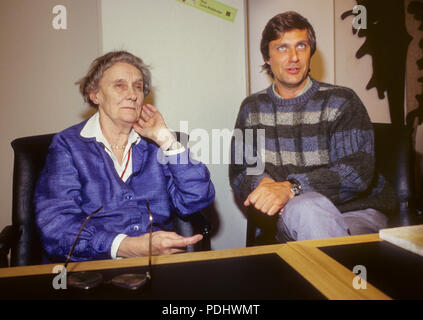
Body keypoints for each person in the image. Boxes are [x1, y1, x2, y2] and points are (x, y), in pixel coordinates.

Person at [229, 12, 397, 242]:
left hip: (356, 212)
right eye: (282, 48)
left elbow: (356, 172)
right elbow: (241, 169)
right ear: (267, 57)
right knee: (304, 208)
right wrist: (263, 183)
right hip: (292, 216)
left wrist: (292, 188)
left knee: (307, 206)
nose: (293, 57)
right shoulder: (252, 108)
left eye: (301, 46)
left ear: (311, 52)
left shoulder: (342, 100)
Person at [34, 51, 215, 262]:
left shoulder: (155, 145)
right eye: (120, 85)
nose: (132, 94)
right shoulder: (68, 145)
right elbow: (57, 226)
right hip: (91, 269)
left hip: (155, 264)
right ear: (95, 95)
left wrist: (166, 139)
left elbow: (196, 198)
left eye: (138, 86)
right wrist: (128, 246)